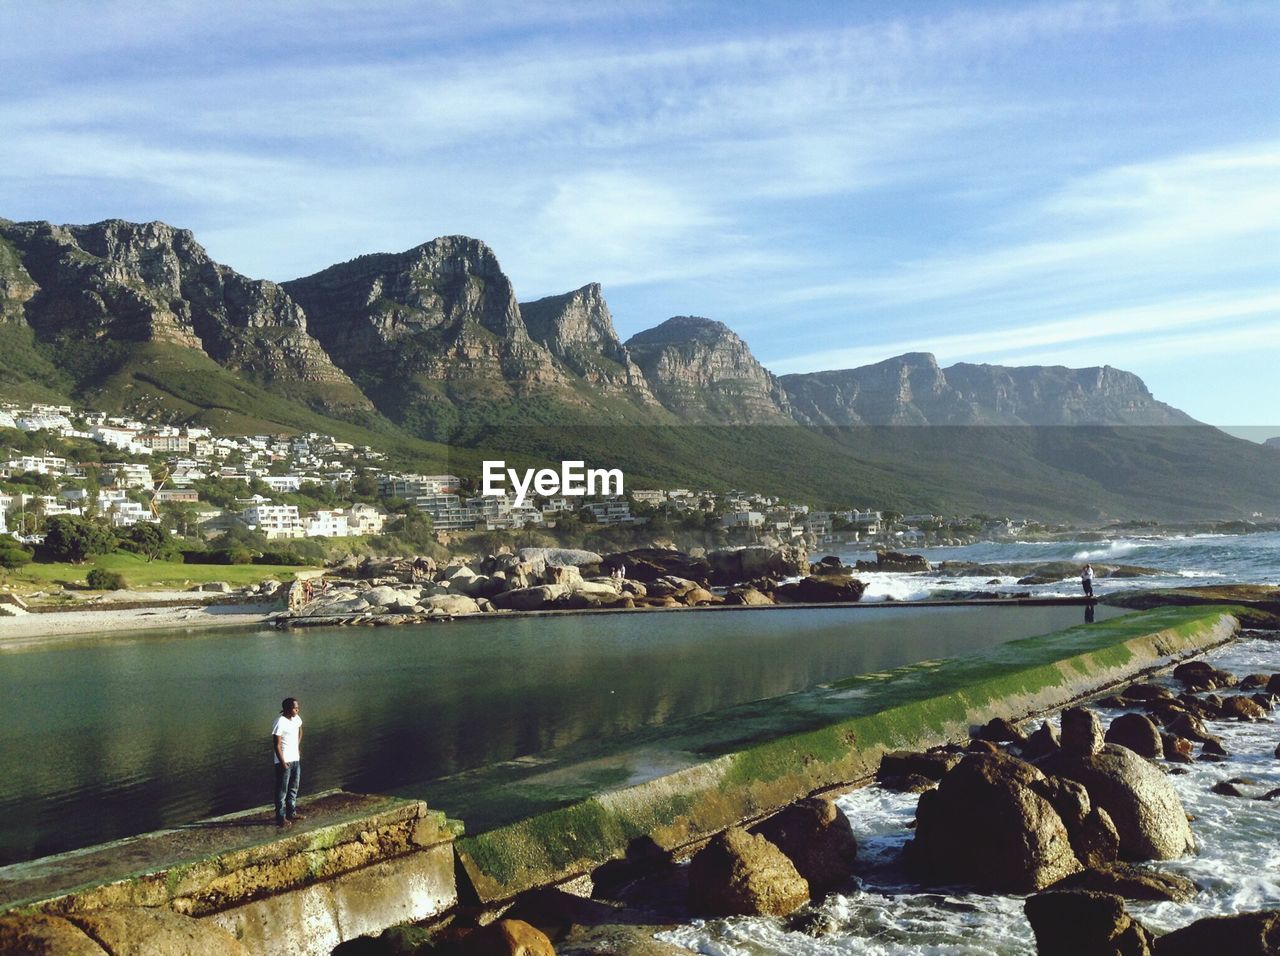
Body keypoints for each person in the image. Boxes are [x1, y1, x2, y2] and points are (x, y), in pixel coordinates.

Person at [272, 697, 304, 827]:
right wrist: (283, 762)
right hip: (284, 762)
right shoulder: (280, 722)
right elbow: (277, 744)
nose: (297, 709)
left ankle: (292, 813)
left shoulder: (296, 719)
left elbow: (300, 730)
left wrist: (296, 745)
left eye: (298, 707)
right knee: (282, 791)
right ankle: (281, 817)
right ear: (287, 709)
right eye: (294, 707)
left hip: (295, 759)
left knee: (293, 788)